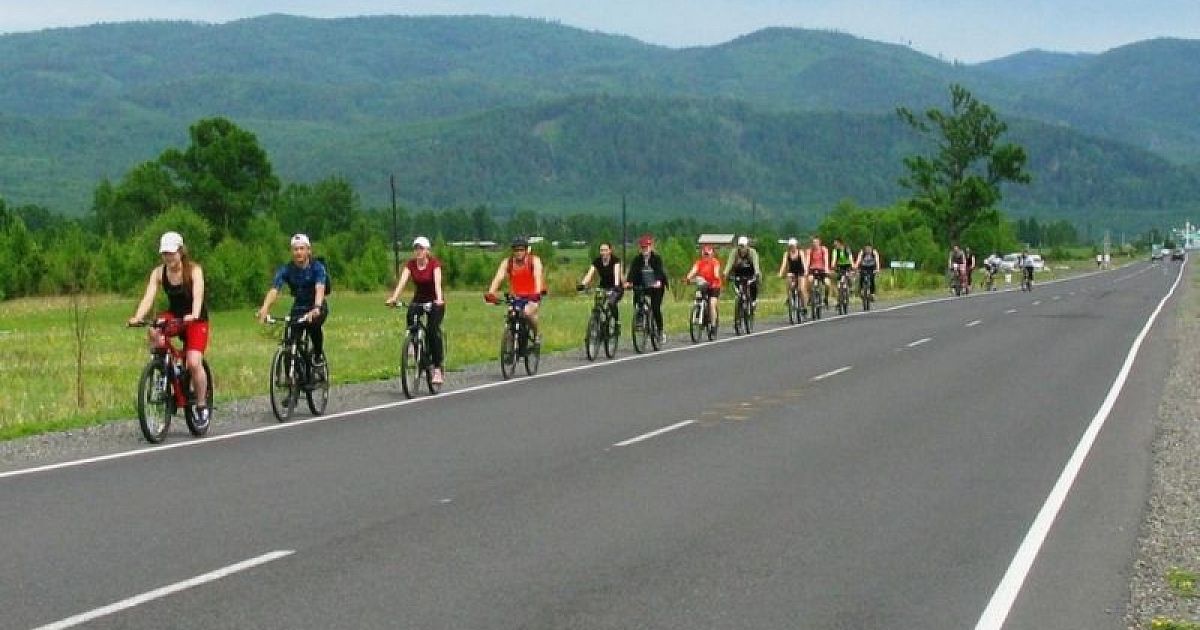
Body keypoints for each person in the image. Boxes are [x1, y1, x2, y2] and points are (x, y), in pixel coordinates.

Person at [128, 231, 210, 425]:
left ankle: (200, 405)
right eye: (165, 253)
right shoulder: (159, 273)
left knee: (193, 362)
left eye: (171, 253)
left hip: (196, 320)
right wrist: (138, 316)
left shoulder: (194, 270)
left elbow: (198, 296)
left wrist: (194, 313)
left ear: (181, 252)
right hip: (175, 316)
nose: (168, 257)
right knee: (154, 329)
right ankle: (162, 366)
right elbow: (149, 297)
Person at [257, 233, 329, 367]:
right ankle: (293, 373)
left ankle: (317, 355)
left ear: (308, 250)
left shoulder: (317, 267)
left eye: (302, 248)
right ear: (292, 252)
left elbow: (320, 287)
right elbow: (274, 289)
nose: (299, 252)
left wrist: (317, 307)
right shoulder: (287, 269)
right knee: (289, 337)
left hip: (317, 305)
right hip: (299, 306)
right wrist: (265, 307)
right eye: (295, 249)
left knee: (313, 325)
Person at [386, 236, 446, 385]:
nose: (418, 251)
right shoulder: (410, 265)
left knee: (432, 330)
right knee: (411, 316)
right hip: (419, 299)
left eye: (421, 248)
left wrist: (438, 300)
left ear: (427, 251)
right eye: (416, 248)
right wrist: (394, 297)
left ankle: (437, 369)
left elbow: (437, 283)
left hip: (434, 301)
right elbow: (402, 283)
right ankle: (414, 346)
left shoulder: (434, 264)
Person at [485, 236, 546, 343]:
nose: (519, 253)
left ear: (526, 250)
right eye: (516, 250)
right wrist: (491, 293)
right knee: (512, 314)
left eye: (521, 250)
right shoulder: (507, 262)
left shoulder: (534, 261)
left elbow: (537, 275)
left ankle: (537, 334)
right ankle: (511, 341)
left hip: (533, 294)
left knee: (527, 313)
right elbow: (498, 278)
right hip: (516, 296)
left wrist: (537, 292)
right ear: (512, 251)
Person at [624, 233, 669, 343]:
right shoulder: (637, 259)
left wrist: (658, 281)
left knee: (655, 307)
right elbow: (633, 271)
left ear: (651, 247)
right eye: (643, 247)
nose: (645, 249)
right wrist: (628, 282)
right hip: (643, 285)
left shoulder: (656, 258)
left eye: (647, 247)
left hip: (657, 286)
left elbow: (659, 271)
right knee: (638, 297)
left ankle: (659, 331)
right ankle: (640, 318)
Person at [577, 242, 623, 326]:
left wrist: (616, 286)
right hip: (603, 286)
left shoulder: (615, 260)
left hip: (616, 287)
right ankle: (597, 325)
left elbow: (617, 274)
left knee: (611, 303)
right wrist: (582, 284)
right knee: (598, 303)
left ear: (610, 251)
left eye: (606, 250)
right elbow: (589, 274)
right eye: (601, 250)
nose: (603, 252)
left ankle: (617, 322)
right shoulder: (597, 261)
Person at [685, 243, 723, 327]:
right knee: (698, 297)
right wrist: (688, 278)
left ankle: (713, 325)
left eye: (707, 254)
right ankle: (698, 312)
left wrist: (716, 277)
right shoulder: (699, 262)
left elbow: (716, 272)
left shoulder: (715, 262)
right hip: (703, 285)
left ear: (712, 254)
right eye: (704, 253)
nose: (706, 255)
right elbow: (693, 271)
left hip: (714, 286)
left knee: (712, 304)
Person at [723, 235, 762, 308]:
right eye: (740, 246)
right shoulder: (734, 252)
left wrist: (756, 274)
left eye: (743, 246)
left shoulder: (752, 252)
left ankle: (753, 300)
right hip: (739, 272)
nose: (742, 248)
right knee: (738, 287)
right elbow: (729, 264)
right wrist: (725, 273)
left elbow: (756, 264)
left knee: (754, 284)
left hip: (750, 271)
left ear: (747, 246)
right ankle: (739, 300)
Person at [777, 237, 808, 313]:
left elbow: (804, 263)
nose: (792, 247)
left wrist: (806, 271)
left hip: (800, 271)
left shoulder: (800, 252)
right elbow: (784, 264)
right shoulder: (787, 254)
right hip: (792, 271)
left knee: (801, 289)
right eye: (790, 246)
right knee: (788, 281)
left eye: (793, 246)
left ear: (796, 245)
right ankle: (790, 297)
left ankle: (804, 306)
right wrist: (780, 273)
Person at [806, 236, 831, 306]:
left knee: (827, 284)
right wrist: (806, 270)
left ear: (819, 242)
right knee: (809, 281)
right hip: (812, 269)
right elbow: (807, 261)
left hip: (822, 269)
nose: (815, 244)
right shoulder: (809, 251)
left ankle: (826, 298)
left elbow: (826, 260)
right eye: (813, 242)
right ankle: (810, 297)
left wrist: (826, 269)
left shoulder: (824, 249)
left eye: (816, 242)